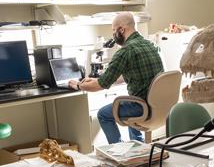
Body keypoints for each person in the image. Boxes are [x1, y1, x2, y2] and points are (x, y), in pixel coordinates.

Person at [68, 12, 164, 144]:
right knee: (131, 100)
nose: (113, 35)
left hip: (141, 106)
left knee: (103, 114)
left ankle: (119, 150)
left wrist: (78, 85)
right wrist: (97, 80)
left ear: (121, 30)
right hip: (159, 105)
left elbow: (100, 85)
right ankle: (138, 144)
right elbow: (136, 75)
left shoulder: (125, 51)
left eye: (114, 31)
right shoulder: (151, 45)